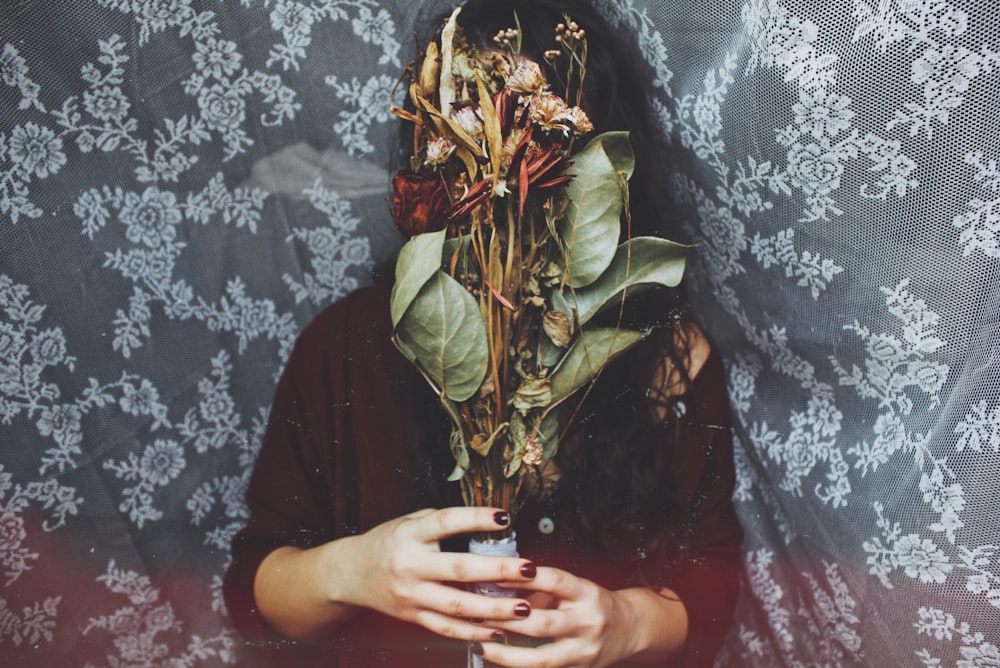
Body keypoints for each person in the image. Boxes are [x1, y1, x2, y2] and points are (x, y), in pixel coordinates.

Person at [223, 1, 743, 666]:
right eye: (471, 134)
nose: (498, 176)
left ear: (595, 172)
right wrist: (354, 570)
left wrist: (628, 621)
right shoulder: (346, 346)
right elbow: (251, 593)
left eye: (535, 142)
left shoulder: (668, 358)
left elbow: (715, 578)